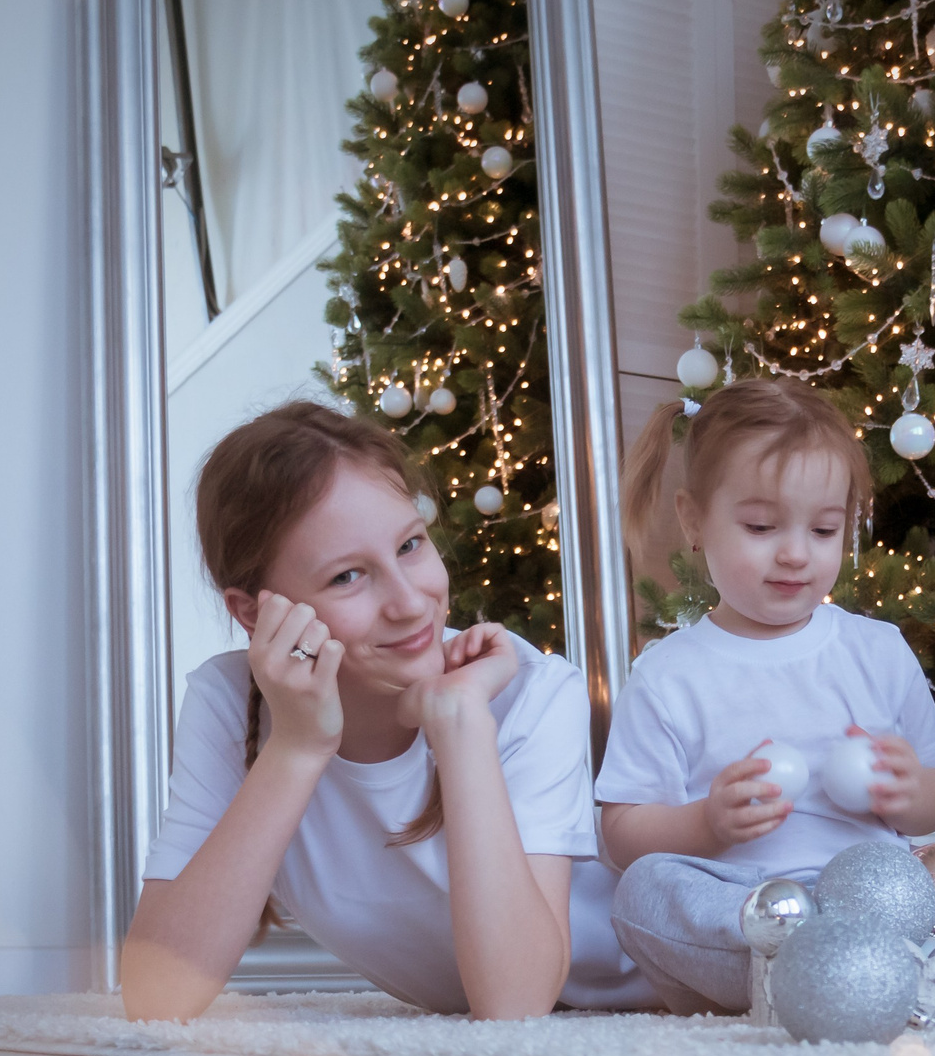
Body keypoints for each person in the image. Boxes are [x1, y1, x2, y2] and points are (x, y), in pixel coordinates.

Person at [120, 401, 651, 1022]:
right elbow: (157, 996)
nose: (409, 603)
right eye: (348, 576)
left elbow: (515, 1003)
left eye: (410, 545)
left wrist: (460, 726)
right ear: (254, 614)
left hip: (679, 993)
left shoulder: (524, 690)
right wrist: (296, 748)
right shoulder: (227, 705)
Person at [600, 375, 935, 1014]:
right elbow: (621, 836)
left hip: (904, 892)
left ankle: (911, 962)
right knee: (644, 893)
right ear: (693, 520)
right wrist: (706, 823)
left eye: (824, 531)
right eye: (760, 526)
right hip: (762, 904)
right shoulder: (668, 674)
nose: (794, 555)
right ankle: (854, 971)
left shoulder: (877, 648)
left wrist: (909, 791)